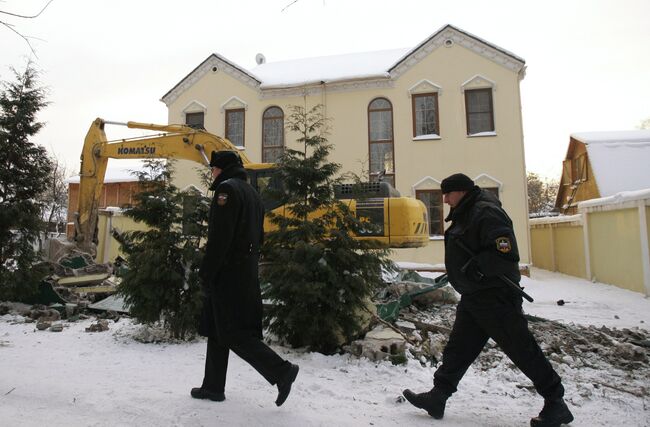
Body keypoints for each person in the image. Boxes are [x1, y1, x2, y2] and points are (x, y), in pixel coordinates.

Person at [402, 173, 573, 427]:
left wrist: (477, 268)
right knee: (458, 349)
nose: (446, 200)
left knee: (521, 349)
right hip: (475, 296)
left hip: (496, 297)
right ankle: (438, 396)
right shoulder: (469, 211)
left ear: (461, 191)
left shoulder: (486, 212)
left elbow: (505, 251)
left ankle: (555, 402)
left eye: (448, 194)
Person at [192, 150, 299, 406]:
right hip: (245, 272)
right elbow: (259, 237)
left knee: (234, 333)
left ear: (221, 168)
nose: (211, 172)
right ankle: (213, 387)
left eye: (213, 168)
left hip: (227, 275)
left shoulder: (226, 192)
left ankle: (281, 371)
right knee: (219, 330)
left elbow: (220, 239)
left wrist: (207, 272)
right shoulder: (252, 192)